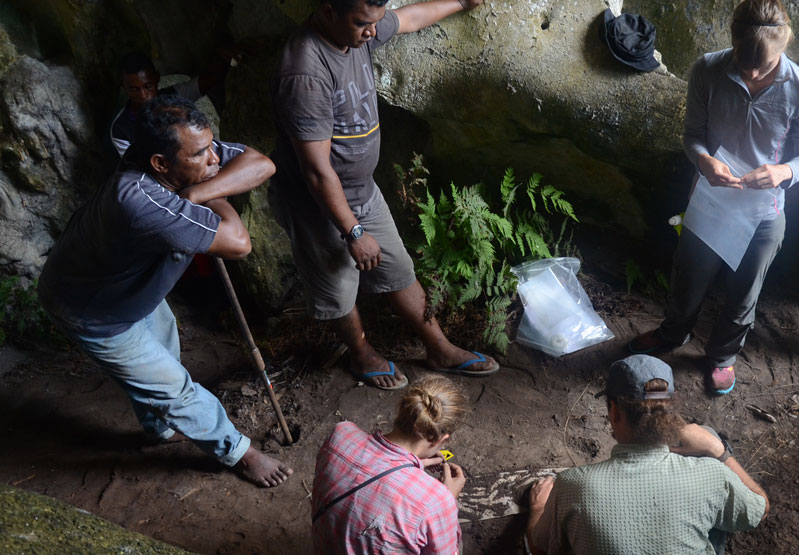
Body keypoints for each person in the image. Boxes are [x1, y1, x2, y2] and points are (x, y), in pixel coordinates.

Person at [37, 95, 292, 487]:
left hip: (128, 287)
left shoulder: (180, 156)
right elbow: (239, 243)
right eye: (202, 154)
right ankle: (241, 454)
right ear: (160, 163)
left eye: (212, 146)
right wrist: (213, 192)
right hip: (92, 308)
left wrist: (198, 192)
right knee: (174, 388)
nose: (213, 159)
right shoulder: (139, 200)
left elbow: (262, 163)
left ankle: (158, 428)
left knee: (165, 346)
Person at [269, 0, 497, 391]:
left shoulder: (355, 34)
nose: (372, 32)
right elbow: (316, 171)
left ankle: (439, 348)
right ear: (328, 11)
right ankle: (361, 353)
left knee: (398, 268)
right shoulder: (305, 70)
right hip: (316, 202)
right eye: (362, 24)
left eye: (374, 22)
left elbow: (409, 18)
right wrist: (354, 232)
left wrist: (461, 2)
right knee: (338, 284)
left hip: (362, 189)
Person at [627, 0, 799, 395]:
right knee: (688, 276)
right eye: (743, 61)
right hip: (711, 198)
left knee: (745, 290)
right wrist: (703, 161)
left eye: (762, 66)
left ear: (784, 46)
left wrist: (782, 172)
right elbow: (692, 134)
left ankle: (722, 355)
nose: (750, 72)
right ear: (732, 40)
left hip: (765, 208)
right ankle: (674, 332)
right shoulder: (708, 69)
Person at [526, 355, 769, 555]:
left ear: (614, 411)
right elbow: (761, 508)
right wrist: (718, 450)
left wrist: (538, 508)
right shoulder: (712, 476)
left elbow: (539, 548)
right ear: (669, 409)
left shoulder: (573, 485)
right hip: (705, 487)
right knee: (707, 436)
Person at [311, 376, 467, 554]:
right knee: (457, 545)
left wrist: (407, 468)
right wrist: (449, 500)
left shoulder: (340, 434)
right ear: (440, 439)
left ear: (402, 410)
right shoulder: (436, 501)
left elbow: (371, 472)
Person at [109, 52, 232, 159]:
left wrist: (221, 57)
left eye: (148, 87)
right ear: (123, 88)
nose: (143, 95)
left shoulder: (174, 96)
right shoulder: (121, 129)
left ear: (157, 78)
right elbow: (136, 168)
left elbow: (209, 79)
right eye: (134, 90)